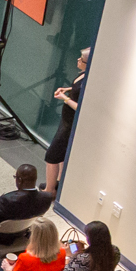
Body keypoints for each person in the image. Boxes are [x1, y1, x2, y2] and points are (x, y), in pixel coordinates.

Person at [45, 45, 90, 191]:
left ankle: (49, 190)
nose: (77, 60)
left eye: (81, 59)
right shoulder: (84, 74)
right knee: (61, 155)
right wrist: (68, 89)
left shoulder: (87, 81)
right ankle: (58, 184)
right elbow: (77, 88)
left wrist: (64, 98)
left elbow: (81, 107)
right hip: (66, 120)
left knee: (52, 156)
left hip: (70, 124)